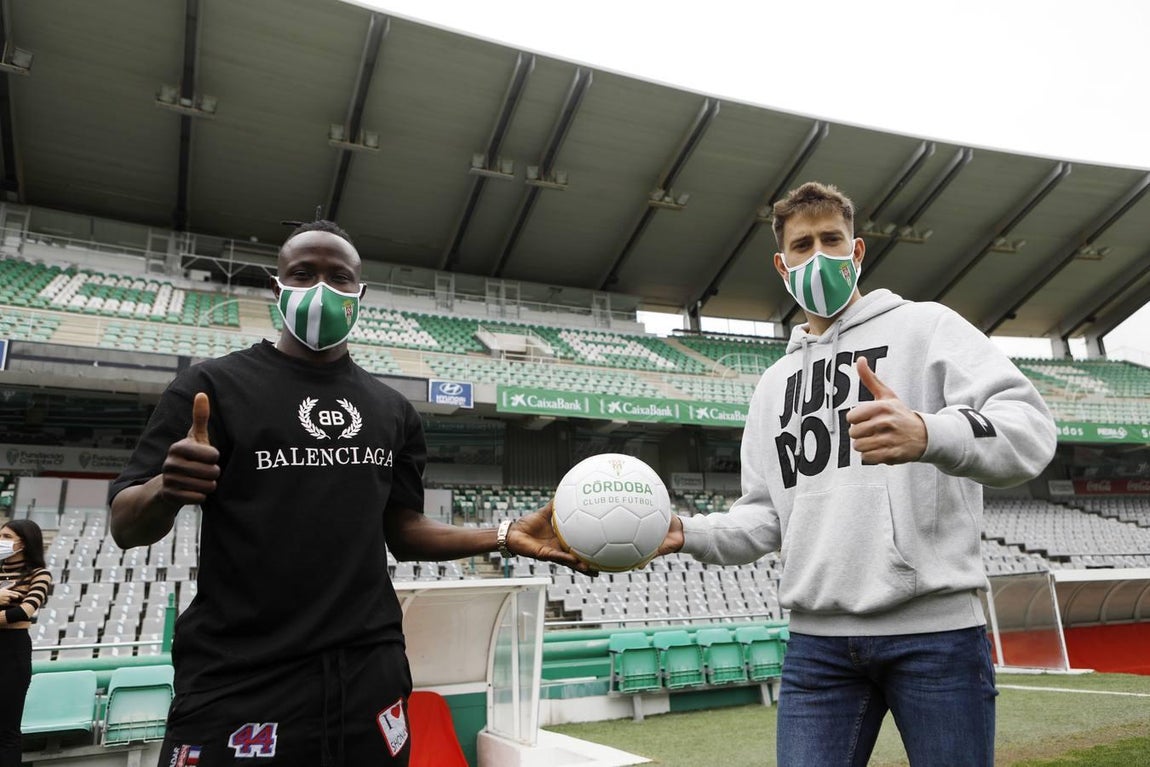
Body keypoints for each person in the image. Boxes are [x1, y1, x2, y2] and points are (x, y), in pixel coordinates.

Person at [109, 220, 585, 767]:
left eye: (339, 278)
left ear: (360, 294)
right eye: (303, 274)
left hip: (369, 674)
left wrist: (501, 535)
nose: (321, 289)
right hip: (240, 675)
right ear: (276, 287)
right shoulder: (212, 388)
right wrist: (166, 489)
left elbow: (402, 531)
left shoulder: (392, 409)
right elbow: (126, 525)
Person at [659, 182, 1057, 766]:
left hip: (937, 637)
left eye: (831, 239)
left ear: (857, 251)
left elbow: (1029, 429)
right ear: (782, 263)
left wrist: (929, 432)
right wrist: (685, 533)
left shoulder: (927, 327)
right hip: (816, 649)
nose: (818, 255)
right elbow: (765, 517)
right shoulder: (772, 386)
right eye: (802, 245)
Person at [0, 519, 51, 767]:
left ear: (24, 542)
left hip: (12, 652)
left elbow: (23, 611)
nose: (1, 541)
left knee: (7, 728)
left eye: (7, 537)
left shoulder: (39, 574)